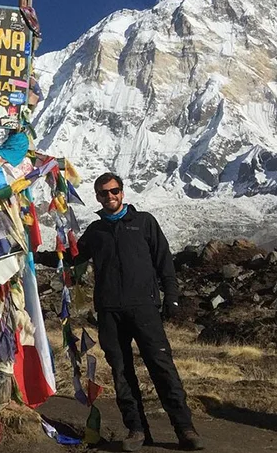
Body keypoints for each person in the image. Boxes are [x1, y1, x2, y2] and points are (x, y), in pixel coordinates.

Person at [73, 173, 205, 452]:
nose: (110, 196)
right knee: (121, 372)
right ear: (97, 197)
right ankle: (136, 429)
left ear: (122, 192)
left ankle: (185, 428)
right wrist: (28, 252)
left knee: (162, 368)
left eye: (114, 191)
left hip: (144, 309)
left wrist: (172, 298)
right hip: (110, 313)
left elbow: (164, 261)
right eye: (104, 193)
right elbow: (73, 257)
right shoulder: (95, 232)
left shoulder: (144, 222)